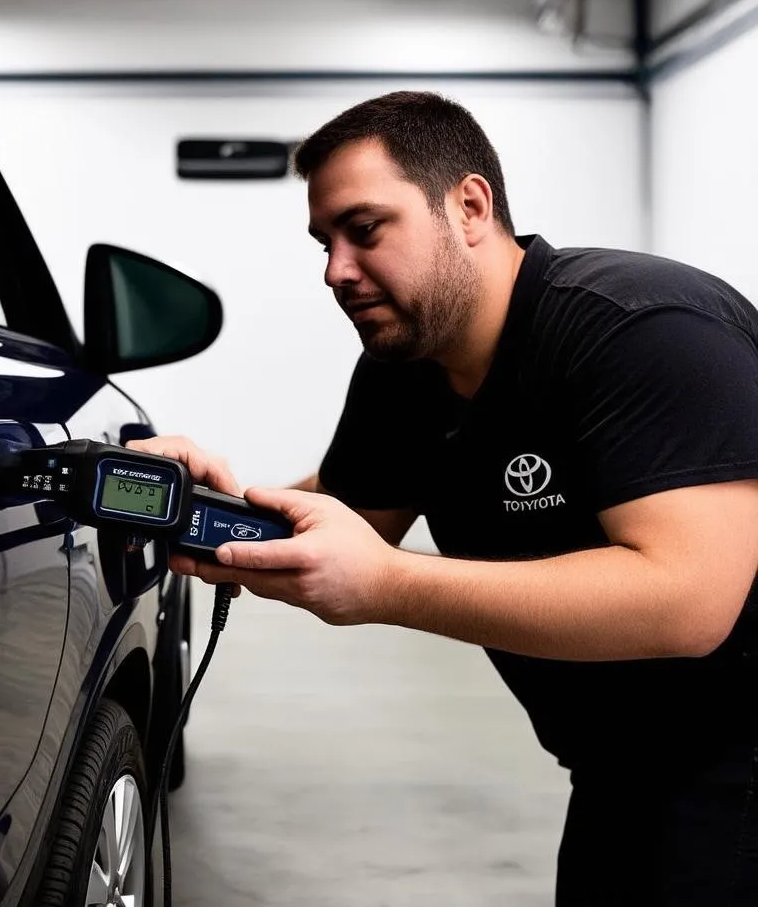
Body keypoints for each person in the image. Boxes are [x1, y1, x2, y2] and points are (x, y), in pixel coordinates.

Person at [129, 91, 758, 906]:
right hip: (622, 767)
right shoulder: (407, 369)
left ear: (468, 206)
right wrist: (188, 504)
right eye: (324, 243)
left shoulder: (641, 329)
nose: (336, 271)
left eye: (365, 230)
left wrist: (387, 587)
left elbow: (687, 602)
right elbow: (350, 523)